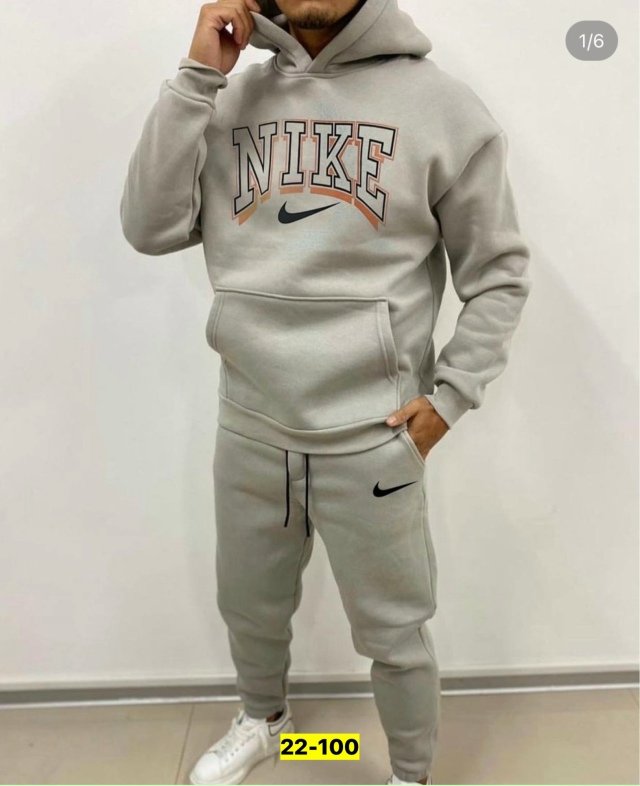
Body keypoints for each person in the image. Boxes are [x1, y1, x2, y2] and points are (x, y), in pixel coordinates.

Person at [119, 0, 532, 783]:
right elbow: (148, 227)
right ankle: (269, 724)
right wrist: (199, 76)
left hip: (373, 436)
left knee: (394, 629)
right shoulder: (227, 97)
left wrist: (449, 399)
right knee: (250, 605)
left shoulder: (442, 108)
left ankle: (409, 772)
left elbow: (499, 273)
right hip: (250, 423)